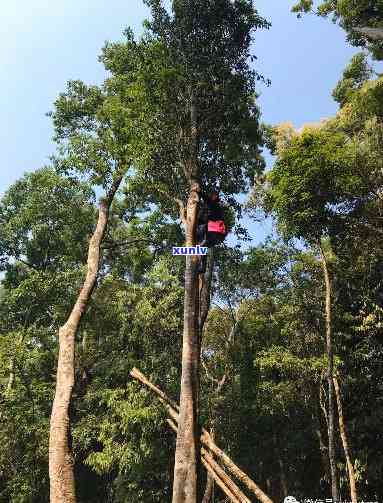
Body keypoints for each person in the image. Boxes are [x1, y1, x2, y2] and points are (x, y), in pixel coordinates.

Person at [196, 191, 227, 273]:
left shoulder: (215, 205)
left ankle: (202, 266)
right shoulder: (208, 210)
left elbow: (208, 200)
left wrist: (199, 192)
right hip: (214, 237)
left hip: (215, 232)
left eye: (214, 196)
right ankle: (202, 267)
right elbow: (199, 220)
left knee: (202, 232)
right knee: (202, 247)